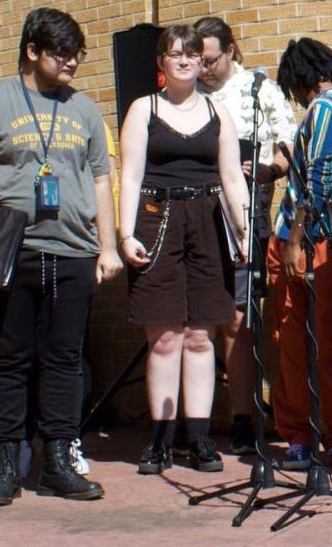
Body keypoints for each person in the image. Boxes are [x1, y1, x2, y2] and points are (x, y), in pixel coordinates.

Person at [0, 7, 119, 505]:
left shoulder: (85, 109)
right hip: (12, 250)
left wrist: (108, 245)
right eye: (62, 53)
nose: (72, 63)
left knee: (65, 361)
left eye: (78, 54)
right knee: (8, 361)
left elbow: (100, 180)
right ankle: (6, 464)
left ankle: (56, 462)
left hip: (73, 251)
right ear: (32, 51)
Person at [118, 25, 250, 475]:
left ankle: (199, 439)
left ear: (201, 61)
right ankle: (159, 441)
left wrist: (244, 229)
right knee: (165, 337)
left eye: (191, 53)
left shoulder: (218, 112)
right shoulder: (144, 109)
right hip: (158, 219)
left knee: (200, 336)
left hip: (208, 222)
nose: (183, 60)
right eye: (174, 53)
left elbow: (232, 177)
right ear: (161, 62)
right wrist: (124, 232)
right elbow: (130, 175)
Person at [194, 16, 296, 455]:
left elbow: (288, 142)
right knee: (195, 320)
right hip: (195, 213)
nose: (204, 69)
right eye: (197, 60)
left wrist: (271, 168)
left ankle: (242, 417)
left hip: (244, 216)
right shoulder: (187, 94)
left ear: (231, 51)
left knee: (238, 318)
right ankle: (192, 423)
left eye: (211, 60)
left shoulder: (259, 90)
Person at [267, 37, 332, 472]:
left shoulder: (323, 108)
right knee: (323, 340)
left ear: (296, 80)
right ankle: (330, 437)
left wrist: (293, 237)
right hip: (316, 240)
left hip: (307, 241)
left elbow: (319, 176)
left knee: (301, 341)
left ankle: (307, 437)